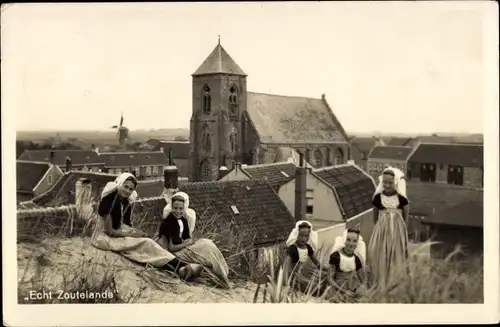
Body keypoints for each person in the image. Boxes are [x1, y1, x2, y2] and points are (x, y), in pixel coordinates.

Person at [92, 173, 201, 280]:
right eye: (126, 186)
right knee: (146, 244)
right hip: (103, 238)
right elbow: (109, 231)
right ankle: (180, 267)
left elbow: (124, 224)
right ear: (119, 184)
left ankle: (181, 267)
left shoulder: (124, 202)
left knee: (148, 241)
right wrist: (131, 234)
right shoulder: (108, 202)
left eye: (130, 189)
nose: (127, 191)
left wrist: (137, 232)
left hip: (117, 233)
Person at [157, 191, 230, 289]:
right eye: (175, 208)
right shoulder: (168, 223)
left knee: (207, 243)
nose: (178, 211)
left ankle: (223, 274)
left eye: (181, 208)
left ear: (185, 208)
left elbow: (187, 238)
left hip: (182, 248)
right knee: (207, 247)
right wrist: (187, 244)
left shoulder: (183, 220)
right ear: (171, 207)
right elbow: (171, 248)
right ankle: (221, 276)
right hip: (173, 254)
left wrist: (191, 241)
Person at [368, 166, 410, 287]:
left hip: (397, 229)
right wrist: (380, 228)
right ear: (382, 182)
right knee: (382, 252)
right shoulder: (377, 198)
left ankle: (395, 281)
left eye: (390, 182)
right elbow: (375, 216)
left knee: (396, 253)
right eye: (385, 182)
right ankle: (381, 281)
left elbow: (406, 215)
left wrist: (402, 229)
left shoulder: (401, 198)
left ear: (395, 182)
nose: (387, 184)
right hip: (382, 229)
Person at [283, 221, 326, 295]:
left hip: (305, 273)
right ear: (297, 234)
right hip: (295, 276)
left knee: (325, 278)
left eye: (306, 236)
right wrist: (287, 283)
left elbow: (317, 263)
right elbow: (286, 268)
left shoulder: (307, 247)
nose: (303, 239)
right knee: (316, 287)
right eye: (301, 235)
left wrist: (328, 270)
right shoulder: (292, 248)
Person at [328, 228, 366, 300]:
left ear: (357, 243)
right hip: (338, 288)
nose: (351, 244)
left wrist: (360, 289)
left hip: (352, 288)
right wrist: (344, 291)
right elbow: (330, 278)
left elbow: (362, 280)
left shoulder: (357, 259)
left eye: (354, 241)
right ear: (344, 240)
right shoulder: (336, 256)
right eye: (348, 240)